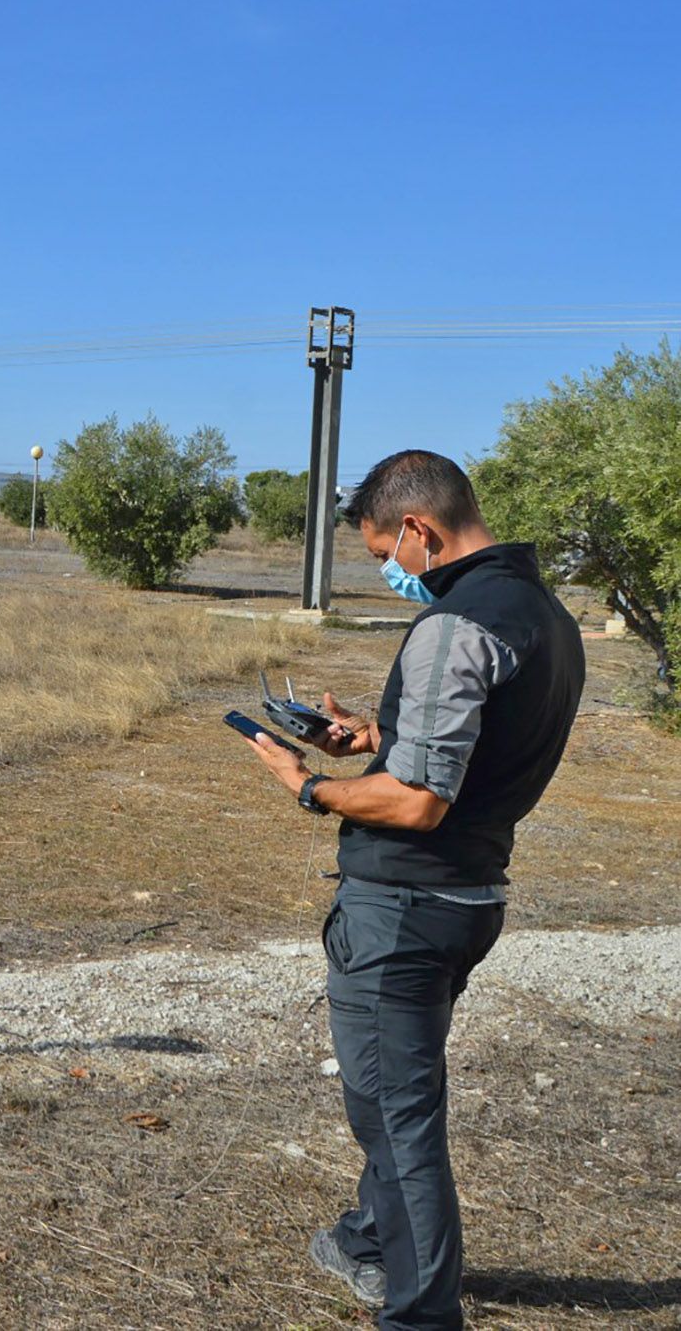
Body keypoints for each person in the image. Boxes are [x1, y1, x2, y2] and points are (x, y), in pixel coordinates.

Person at [243, 449, 584, 1329]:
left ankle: (422, 1313)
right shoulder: (544, 614)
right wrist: (377, 732)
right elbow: (475, 744)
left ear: (417, 530)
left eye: (383, 557)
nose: (390, 573)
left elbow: (420, 800)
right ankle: (367, 1238)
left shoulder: (453, 626)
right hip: (471, 895)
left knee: (397, 1117)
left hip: (404, 907)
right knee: (395, 1088)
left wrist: (309, 786)